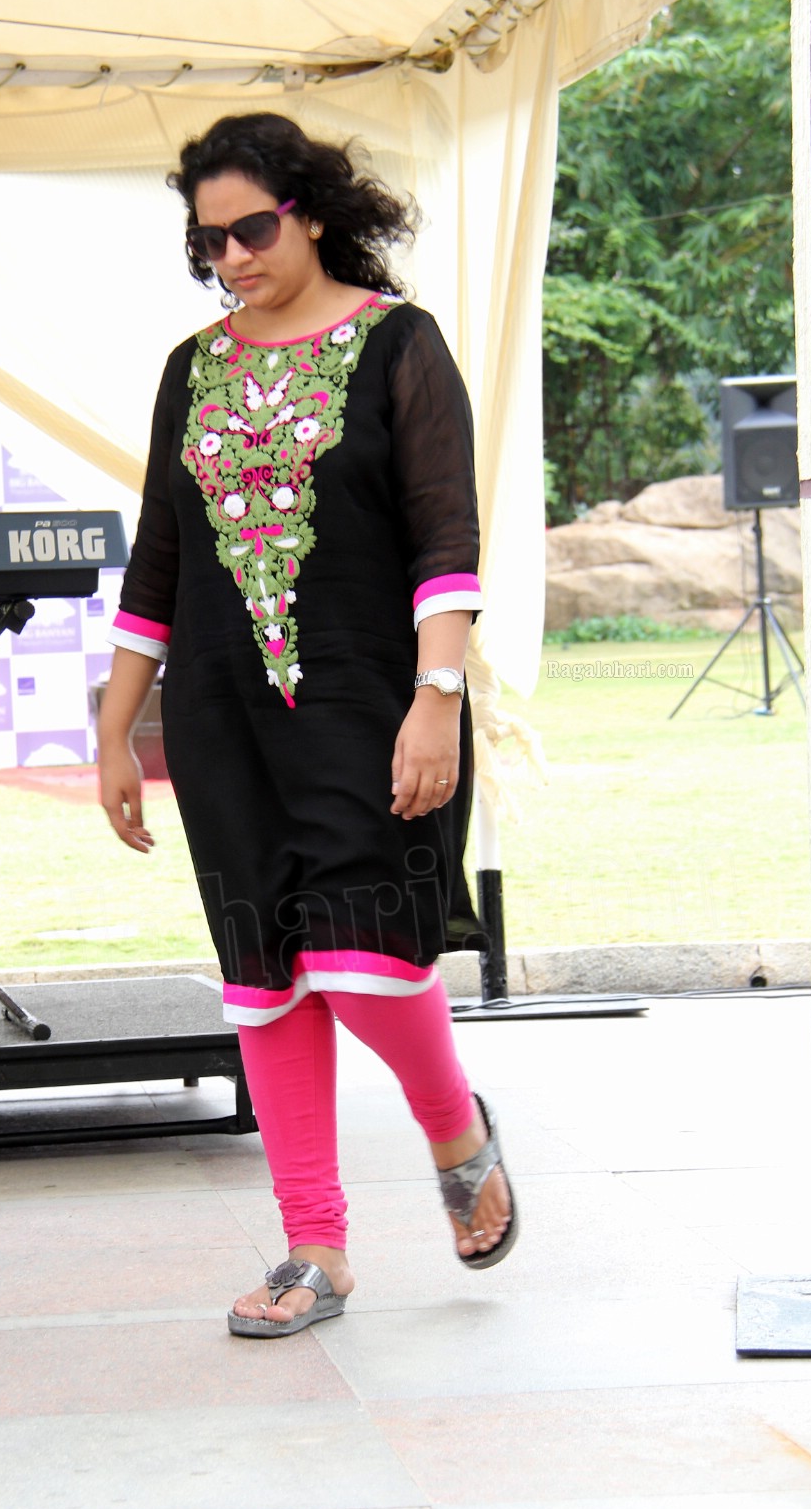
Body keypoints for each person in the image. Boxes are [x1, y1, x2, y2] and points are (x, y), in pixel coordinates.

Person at [97, 112, 517, 1337]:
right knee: (267, 982)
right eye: (208, 240)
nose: (230, 257)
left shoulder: (399, 346)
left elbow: (447, 539)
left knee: (369, 959)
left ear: (314, 212)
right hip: (224, 721)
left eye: (252, 229)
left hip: (372, 705)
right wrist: (120, 724)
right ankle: (314, 1248)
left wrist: (436, 701)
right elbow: (160, 559)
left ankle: (455, 1129)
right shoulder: (195, 367)